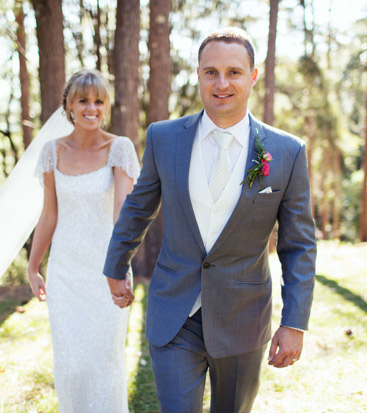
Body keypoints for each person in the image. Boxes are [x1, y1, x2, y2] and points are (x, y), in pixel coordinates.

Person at [104, 28, 316, 412]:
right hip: (174, 315)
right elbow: (139, 207)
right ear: (198, 74)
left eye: (234, 72)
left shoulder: (287, 152)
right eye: (211, 72)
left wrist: (294, 321)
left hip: (243, 318)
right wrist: (115, 264)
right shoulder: (164, 137)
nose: (222, 83)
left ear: (252, 77)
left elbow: (298, 244)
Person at [29, 69, 139, 412]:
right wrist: (33, 268)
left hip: (106, 270)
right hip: (65, 273)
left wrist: (121, 266)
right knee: (72, 365)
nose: (91, 108)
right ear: (69, 105)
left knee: (106, 362)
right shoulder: (52, 152)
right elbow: (49, 215)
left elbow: (122, 209)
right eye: (83, 101)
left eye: (99, 101)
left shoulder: (119, 149)